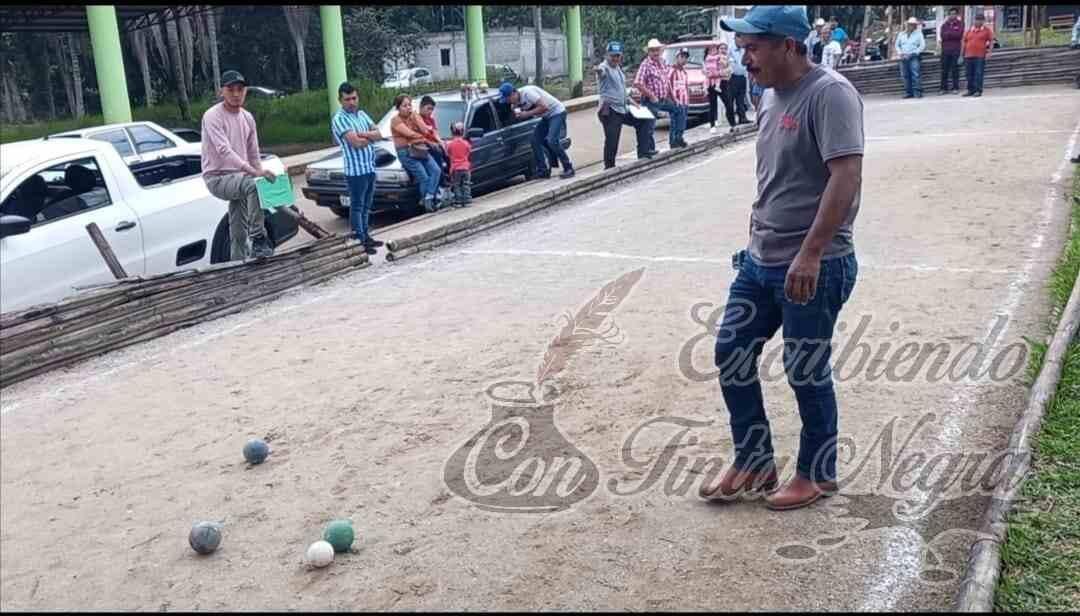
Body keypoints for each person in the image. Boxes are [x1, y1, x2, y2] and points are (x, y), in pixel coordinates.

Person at [701, 5, 864, 511]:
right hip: (760, 260)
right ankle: (754, 459)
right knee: (731, 351)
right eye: (743, 49)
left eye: (753, 48)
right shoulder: (769, 96)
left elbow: (845, 178)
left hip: (814, 263)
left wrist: (811, 253)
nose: (743, 59)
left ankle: (817, 474)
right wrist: (754, 236)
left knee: (805, 368)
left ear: (788, 46)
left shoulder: (830, 94)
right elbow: (776, 178)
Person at [201, 69, 276, 261]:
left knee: (238, 231)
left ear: (245, 91)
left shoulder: (247, 117)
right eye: (231, 89)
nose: (236, 94)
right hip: (218, 178)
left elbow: (253, 152)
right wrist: (254, 174)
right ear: (221, 92)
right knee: (253, 185)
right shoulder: (212, 116)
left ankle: (238, 266)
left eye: (240, 89)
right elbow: (224, 150)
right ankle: (259, 237)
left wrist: (258, 171)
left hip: (240, 177)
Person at [331, 81, 383, 254]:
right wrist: (369, 137)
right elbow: (356, 144)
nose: (351, 102)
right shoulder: (339, 119)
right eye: (347, 99)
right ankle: (359, 238)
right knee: (357, 205)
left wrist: (364, 135)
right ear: (340, 100)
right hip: (355, 171)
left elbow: (379, 133)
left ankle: (366, 235)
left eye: (354, 98)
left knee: (367, 205)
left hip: (369, 167)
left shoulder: (361, 115)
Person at [593, 40, 656, 169]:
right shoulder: (605, 67)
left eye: (618, 56)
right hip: (609, 109)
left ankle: (643, 152)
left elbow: (622, 92)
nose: (616, 58)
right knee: (612, 140)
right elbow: (601, 72)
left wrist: (634, 104)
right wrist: (598, 70)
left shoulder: (618, 69)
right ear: (607, 55)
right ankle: (609, 168)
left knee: (644, 120)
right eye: (613, 56)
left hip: (622, 107)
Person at [499, 82, 575, 179]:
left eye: (508, 99)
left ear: (513, 93)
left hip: (557, 113)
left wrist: (527, 114)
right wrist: (516, 113)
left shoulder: (527, 93)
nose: (508, 101)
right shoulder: (514, 103)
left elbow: (544, 107)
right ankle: (543, 171)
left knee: (552, 140)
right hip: (546, 117)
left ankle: (568, 168)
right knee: (535, 141)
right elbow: (517, 113)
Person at [390, 94, 443, 212]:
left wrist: (416, 118)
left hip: (419, 148)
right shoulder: (395, 121)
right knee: (424, 177)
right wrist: (423, 138)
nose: (408, 108)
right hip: (406, 152)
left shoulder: (414, 116)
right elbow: (409, 134)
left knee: (436, 170)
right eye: (404, 106)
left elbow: (424, 129)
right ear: (398, 108)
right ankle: (428, 202)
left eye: (409, 105)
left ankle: (428, 197)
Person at [634, 38, 686, 152]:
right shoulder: (645, 65)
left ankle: (676, 140)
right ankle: (649, 149)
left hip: (663, 98)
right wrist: (651, 96)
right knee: (649, 126)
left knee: (679, 109)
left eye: (657, 50)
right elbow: (638, 83)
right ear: (649, 52)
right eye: (652, 51)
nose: (655, 53)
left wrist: (674, 98)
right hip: (650, 100)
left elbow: (667, 82)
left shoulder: (662, 62)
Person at [703, 42, 735, 134]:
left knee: (728, 104)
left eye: (724, 48)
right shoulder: (707, 58)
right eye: (720, 48)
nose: (721, 50)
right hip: (711, 83)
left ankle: (732, 124)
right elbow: (705, 71)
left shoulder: (724, 58)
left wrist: (718, 73)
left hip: (723, 83)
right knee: (712, 105)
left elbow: (729, 71)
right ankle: (712, 125)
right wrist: (710, 74)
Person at [417, 95, 449, 186]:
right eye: (428, 109)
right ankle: (441, 179)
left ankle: (450, 174)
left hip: (433, 144)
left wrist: (441, 143)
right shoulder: (417, 119)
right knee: (436, 151)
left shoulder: (431, 120)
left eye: (432, 109)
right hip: (424, 145)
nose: (430, 112)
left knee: (445, 149)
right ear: (421, 107)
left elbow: (435, 133)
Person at [962, 14, 993, 97]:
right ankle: (970, 90)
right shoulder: (969, 30)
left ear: (983, 21)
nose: (978, 21)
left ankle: (978, 90)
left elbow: (991, 41)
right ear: (974, 20)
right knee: (969, 74)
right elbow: (964, 41)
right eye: (977, 20)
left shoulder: (986, 30)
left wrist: (989, 52)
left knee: (978, 73)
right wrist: (962, 54)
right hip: (968, 55)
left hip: (980, 55)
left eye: (980, 20)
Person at [895, 17, 926, 99]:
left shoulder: (918, 34)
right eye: (910, 25)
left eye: (913, 25)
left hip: (913, 57)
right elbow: (897, 45)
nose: (911, 26)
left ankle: (917, 92)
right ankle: (908, 92)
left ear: (915, 26)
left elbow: (922, 46)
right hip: (903, 57)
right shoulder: (901, 34)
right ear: (907, 25)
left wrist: (914, 53)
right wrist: (901, 53)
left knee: (915, 74)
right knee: (905, 75)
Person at [667, 48, 691, 148]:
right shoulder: (672, 71)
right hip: (675, 101)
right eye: (682, 57)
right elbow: (668, 85)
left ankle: (679, 138)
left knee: (682, 121)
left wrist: (688, 99)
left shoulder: (684, 72)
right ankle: (673, 140)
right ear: (677, 57)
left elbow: (685, 87)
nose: (684, 59)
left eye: (685, 57)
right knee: (675, 121)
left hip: (684, 101)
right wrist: (671, 99)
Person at [445, 121, 473, 207]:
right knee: (466, 184)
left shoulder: (450, 144)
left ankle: (458, 201)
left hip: (455, 168)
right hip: (465, 167)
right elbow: (469, 152)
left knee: (456, 185)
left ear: (452, 132)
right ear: (462, 131)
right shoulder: (466, 143)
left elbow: (448, 154)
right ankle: (467, 200)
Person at [938, 7, 964, 94]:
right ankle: (943, 88)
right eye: (951, 14)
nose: (952, 15)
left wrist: (949, 33)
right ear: (948, 15)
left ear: (957, 15)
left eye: (954, 14)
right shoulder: (944, 25)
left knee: (955, 69)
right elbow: (942, 36)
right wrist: (952, 33)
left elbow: (959, 35)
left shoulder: (960, 24)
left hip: (955, 50)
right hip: (945, 50)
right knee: (944, 70)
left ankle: (955, 88)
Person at [727, 43, 753, 124]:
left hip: (742, 76)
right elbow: (730, 63)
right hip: (733, 77)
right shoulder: (730, 50)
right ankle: (732, 120)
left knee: (741, 98)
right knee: (731, 99)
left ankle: (742, 117)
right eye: (739, 38)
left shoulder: (743, 49)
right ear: (735, 39)